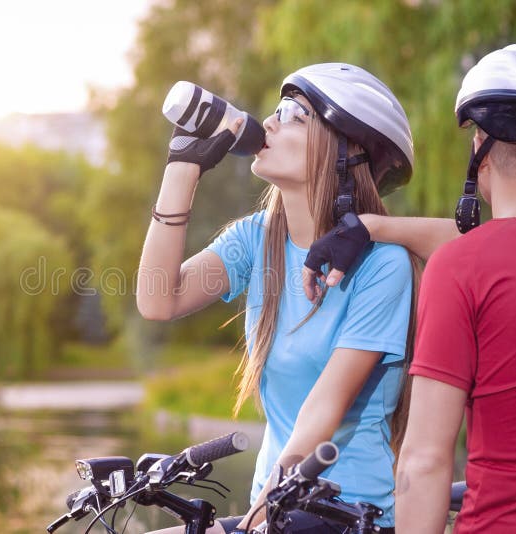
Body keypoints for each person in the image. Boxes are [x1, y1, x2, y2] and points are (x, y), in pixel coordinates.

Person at [137, 63, 418, 533]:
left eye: (294, 114)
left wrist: (251, 522)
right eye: (276, 109)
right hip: (272, 510)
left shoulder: (382, 265)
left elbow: (320, 414)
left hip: (344, 515)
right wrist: (182, 167)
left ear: (346, 150)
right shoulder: (258, 239)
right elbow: (156, 300)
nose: (268, 123)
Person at [304, 44, 516, 532]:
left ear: (481, 148)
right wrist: (372, 226)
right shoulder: (468, 262)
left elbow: (424, 460)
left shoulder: (462, 269)